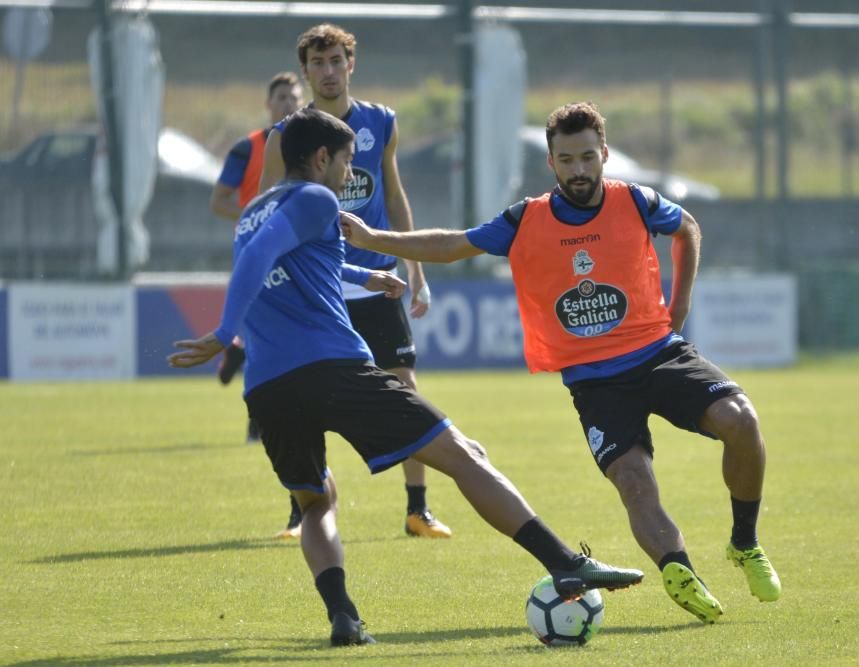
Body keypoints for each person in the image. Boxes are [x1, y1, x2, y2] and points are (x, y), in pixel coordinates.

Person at [167, 108, 644, 646]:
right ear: (321, 158)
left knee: (316, 502)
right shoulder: (315, 198)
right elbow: (258, 257)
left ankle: (344, 618)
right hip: (334, 369)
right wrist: (223, 329)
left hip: (269, 387)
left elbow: (296, 256)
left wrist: (366, 274)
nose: (349, 176)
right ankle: (564, 563)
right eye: (346, 163)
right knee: (466, 455)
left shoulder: (255, 210)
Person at [340, 101, 782, 625]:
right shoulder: (527, 219)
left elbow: (686, 227)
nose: (578, 170)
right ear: (551, 162)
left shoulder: (635, 200)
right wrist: (372, 239)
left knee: (742, 420)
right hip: (596, 383)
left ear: (604, 156)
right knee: (635, 481)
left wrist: (679, 304)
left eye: (587, 158)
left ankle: (744, 542)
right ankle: (679, 570)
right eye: (567, 160)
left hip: (660, 354)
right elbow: (454, 244)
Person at [258, 23, 450, 540]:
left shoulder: (379, 123)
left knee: (404, 385)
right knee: (304, 392)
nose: (327, 71)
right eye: (317, 63)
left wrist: (416, 269)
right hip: (312, 286)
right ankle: (304, 510)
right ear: (305, 72)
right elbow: (263, 209)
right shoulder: (286, 137)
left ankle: (418, 509)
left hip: (374, 280)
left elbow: (394, 191)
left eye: (336, 61)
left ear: (351, 65)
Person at [210, 71, 304, 440]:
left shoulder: (312, 143)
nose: (287, 103)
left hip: (297, 251)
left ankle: (239, 352)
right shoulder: (248, 148)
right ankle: (257, 419)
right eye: (280, 97)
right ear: (268, 105)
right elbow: (218, 200)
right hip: (258, 253)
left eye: (293, 97)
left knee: (286, 334)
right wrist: (254, 217)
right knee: (264, 335)